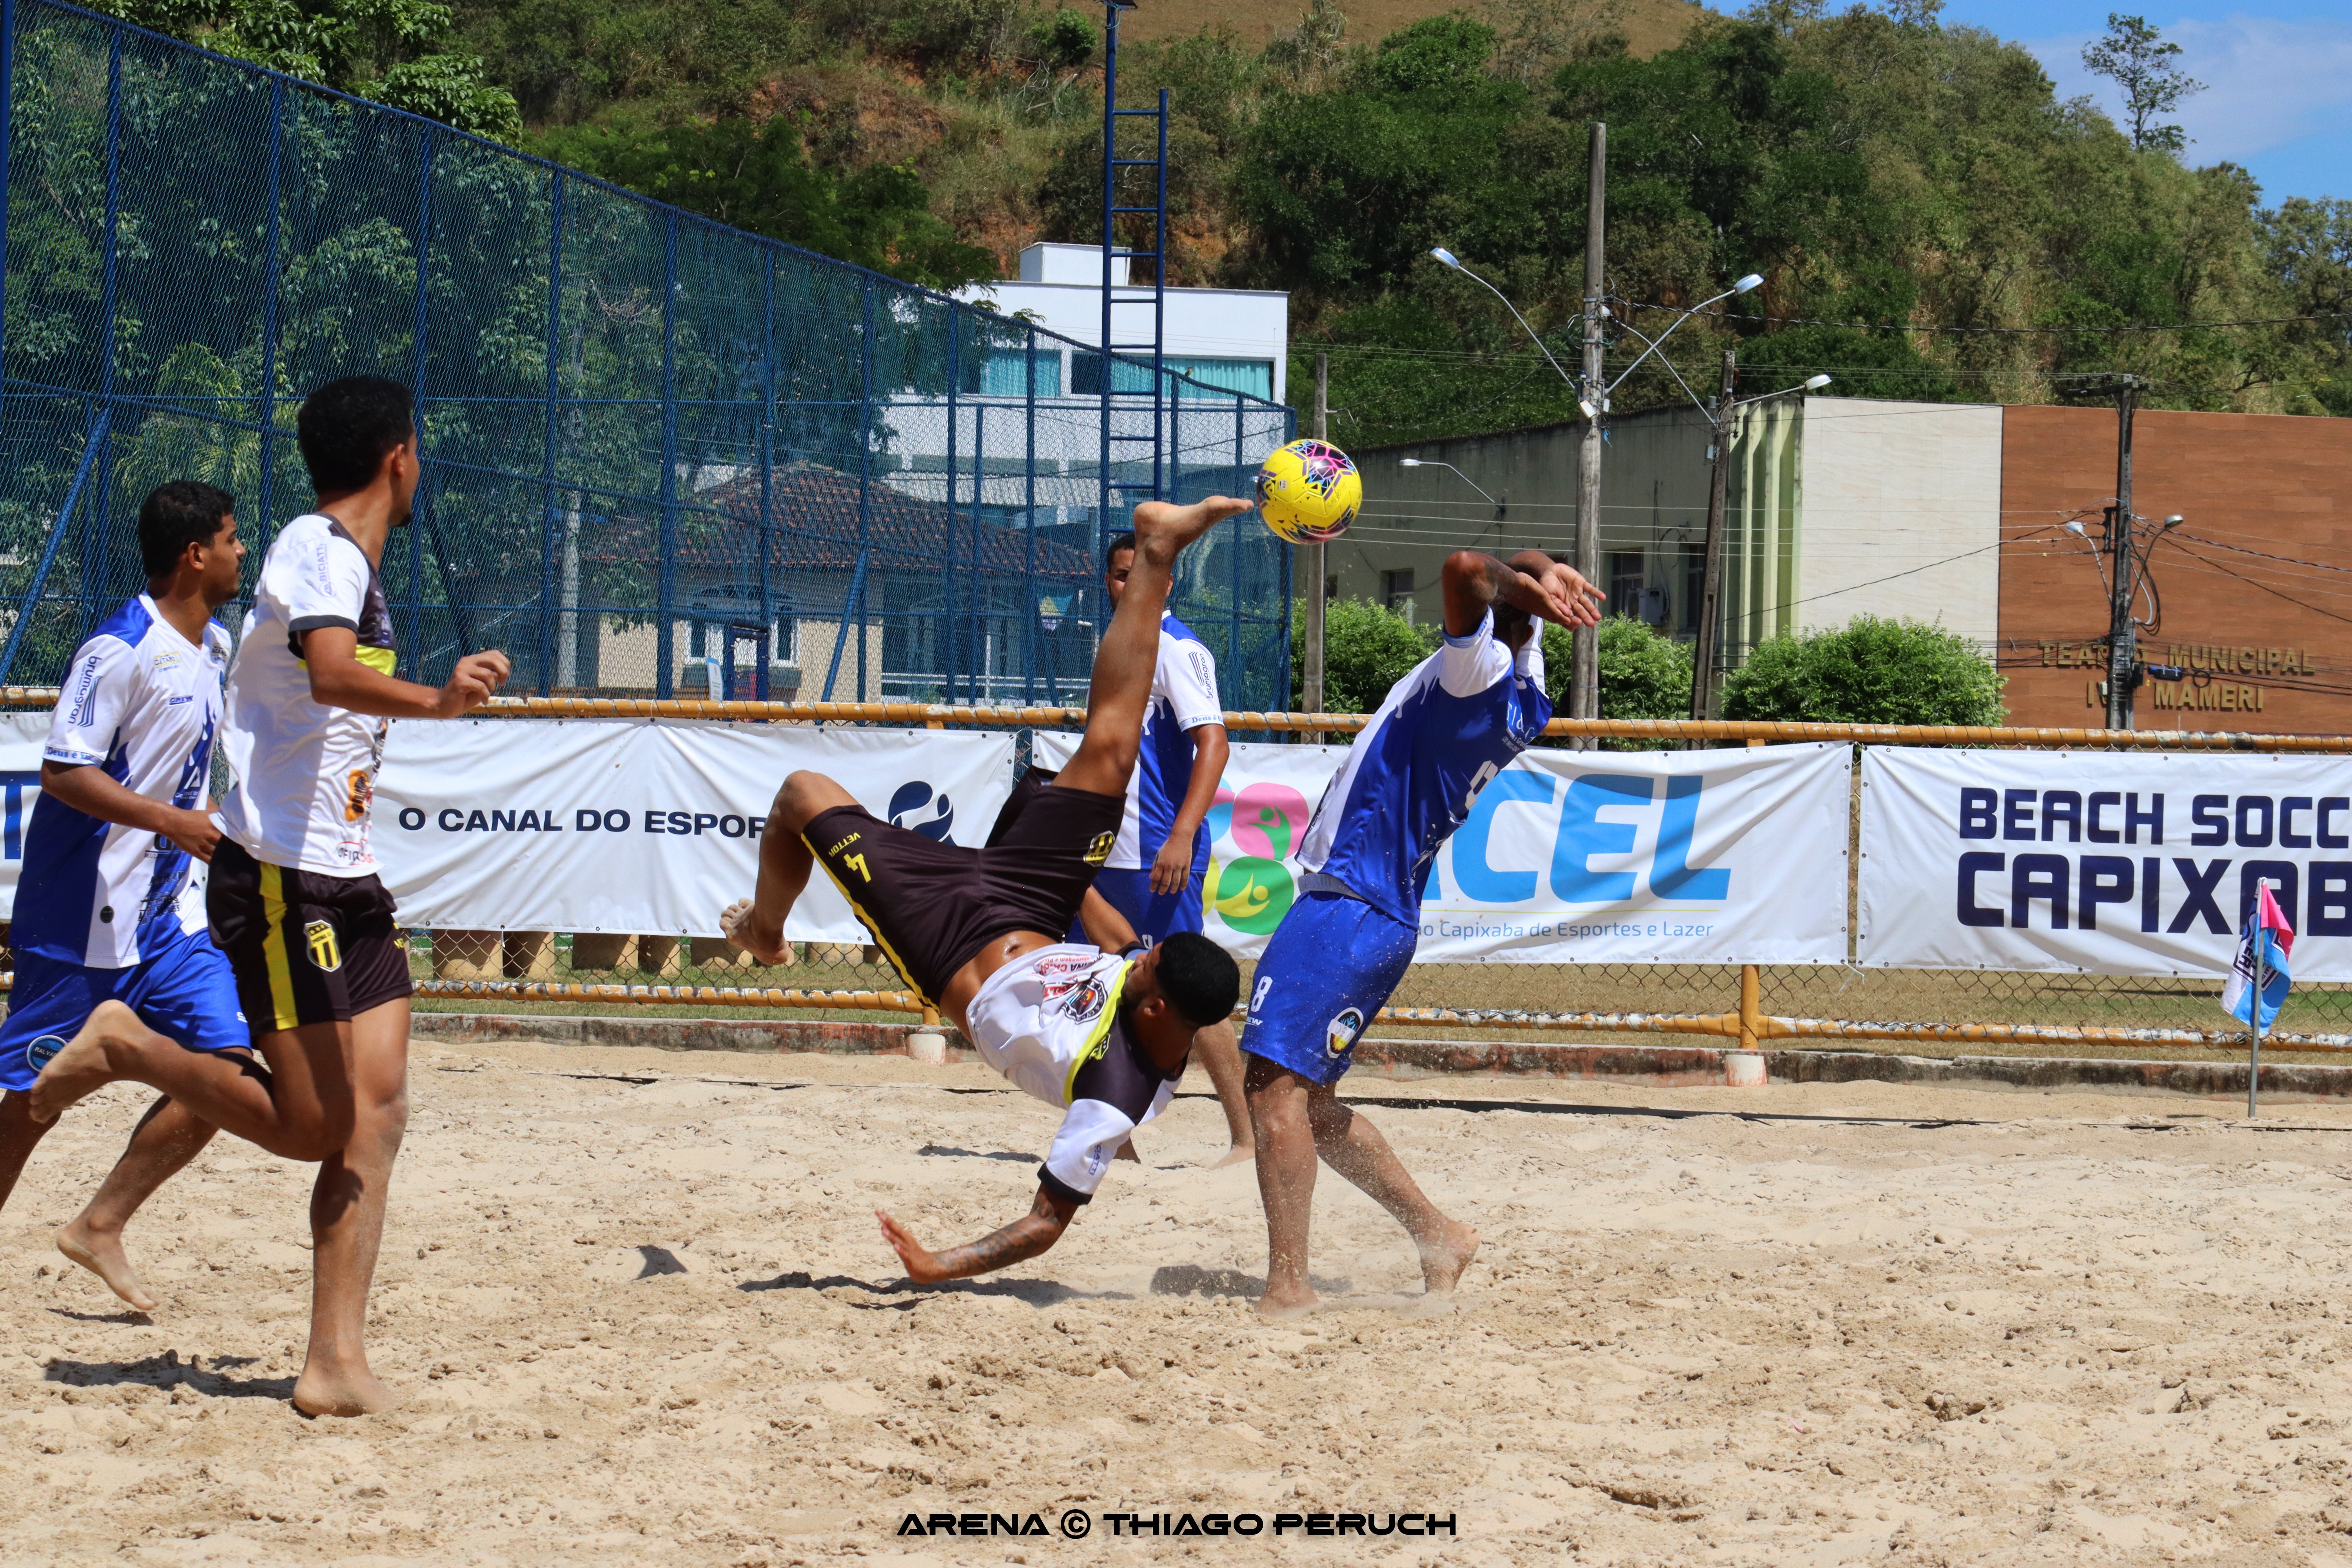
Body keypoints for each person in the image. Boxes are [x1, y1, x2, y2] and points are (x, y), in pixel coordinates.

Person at [32, 375, 513, 1414]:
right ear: (401, 458)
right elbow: (334, 674)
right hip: (289, 880)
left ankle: (334, 1365)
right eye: (419, 449)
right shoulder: (315, 545)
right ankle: (123, 1045)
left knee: (376, 1118)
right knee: (309, 1126)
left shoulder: (342, 561)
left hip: (345, 877)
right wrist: (436, 697)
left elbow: (322, 690)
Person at [721, 495, 1250, 1282]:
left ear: (1155, 1006)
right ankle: (1161, 552)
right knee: (1111, 751)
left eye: (1148, 965)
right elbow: (1112, 935)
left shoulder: (1116, 1093)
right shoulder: (1146, 983)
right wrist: (1074, 876)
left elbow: (1043, 1225)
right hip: (1027, 899)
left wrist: (941, 1263)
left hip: (945, 943)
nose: (1142, 955)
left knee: (802, 792)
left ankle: (765, 934)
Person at [1241, 548, 1600, 1317]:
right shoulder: (1526, 692)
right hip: (1379, 911)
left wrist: (1521, 578)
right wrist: (1535, 573)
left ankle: (1289, 1286)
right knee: (1308, 1105)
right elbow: (1494, 579)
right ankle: (1439, 1234)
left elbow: (1466, 564)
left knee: (1272, 1094)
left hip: (1351, 906)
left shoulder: (1474, 675)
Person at [0, 481, 247, 1312]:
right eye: (232, 537)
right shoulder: (120, 646)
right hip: (77, 927)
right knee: (27, 1108)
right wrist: (172, 821)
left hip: (168, 928)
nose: (240, 550)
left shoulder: (213, 644)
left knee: (228, 1073)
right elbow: (65, 773)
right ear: (194, 554)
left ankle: (101, 1223)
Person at [1032, 530, 1253, 1167]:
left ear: (1168, 581)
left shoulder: (1178, 647)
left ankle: (1244, 1136)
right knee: (1097, 989)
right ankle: (1115, 1142)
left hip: (1158, 847)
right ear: (1107, 582)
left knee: (1190, 987)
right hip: (1104, 845)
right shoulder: (1120, 644)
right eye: (1120, 575)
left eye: (1142, 574)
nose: (1129, 586)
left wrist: (1182, 833)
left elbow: (1214, 743)